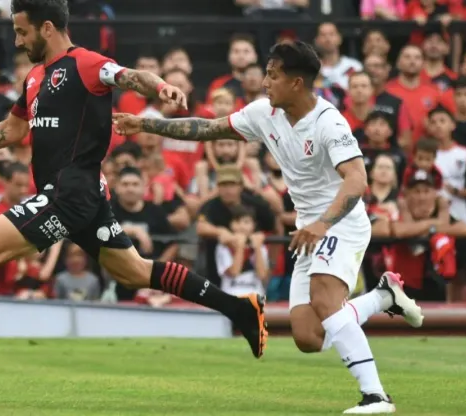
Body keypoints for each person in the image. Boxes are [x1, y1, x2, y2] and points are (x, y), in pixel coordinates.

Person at [0, 0, 267, 394]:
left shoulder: (85, 63)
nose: (18, 40)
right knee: (133, 271)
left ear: (46, 28)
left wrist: (161, 86)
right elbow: (11, 131)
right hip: (79, 195)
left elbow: (130, 76)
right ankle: (240, 309)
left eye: (22, 31)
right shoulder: (35, 77)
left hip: (70, 193)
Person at [113, 40, 425, 414]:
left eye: (273, 75)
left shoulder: (329, 122)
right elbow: (208, 128)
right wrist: (145, 123)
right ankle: (383, 297)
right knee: (308, 337)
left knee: (327, 301)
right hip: (308, 229)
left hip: (340, 223)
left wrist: (323, 224)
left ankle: (376, 396)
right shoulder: (264, 113)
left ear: (296, 83)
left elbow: (357, 181)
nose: (264, 83)